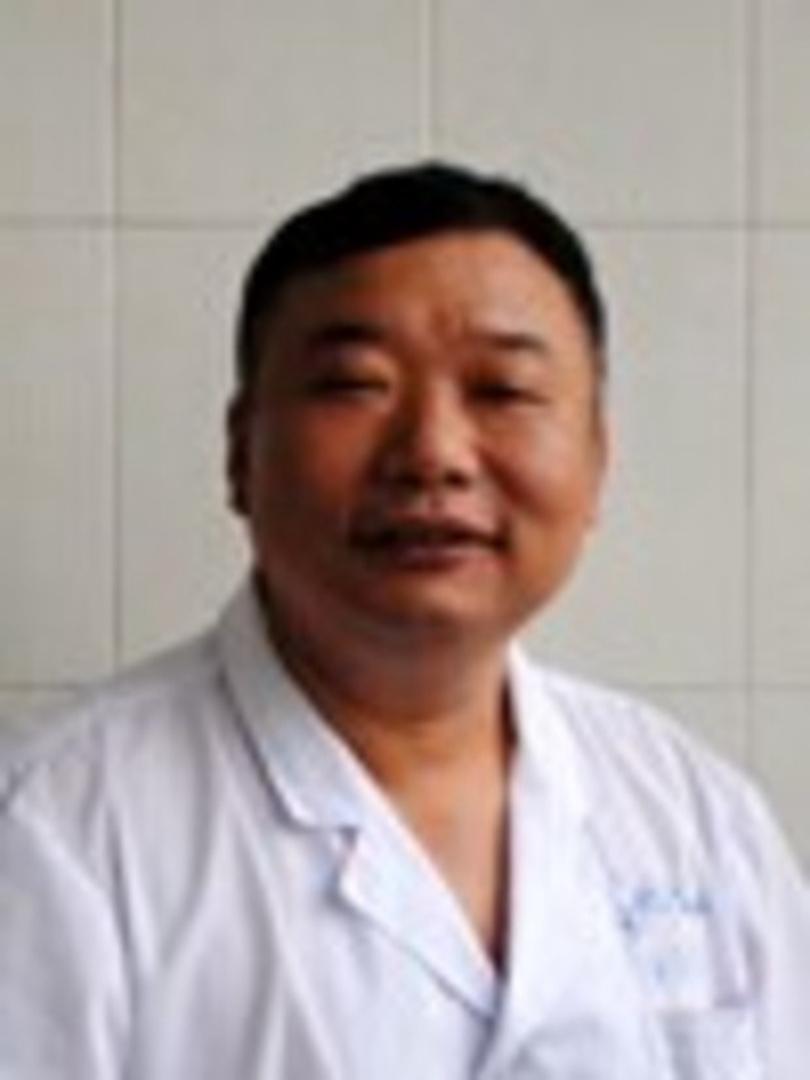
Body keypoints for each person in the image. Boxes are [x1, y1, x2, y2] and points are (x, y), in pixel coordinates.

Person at [0, 162, 808, 1079]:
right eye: (355, 385)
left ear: (596, 461)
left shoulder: (697, 817)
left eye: (503, 391)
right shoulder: (55, 828)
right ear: (240, 453)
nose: (433, 453)